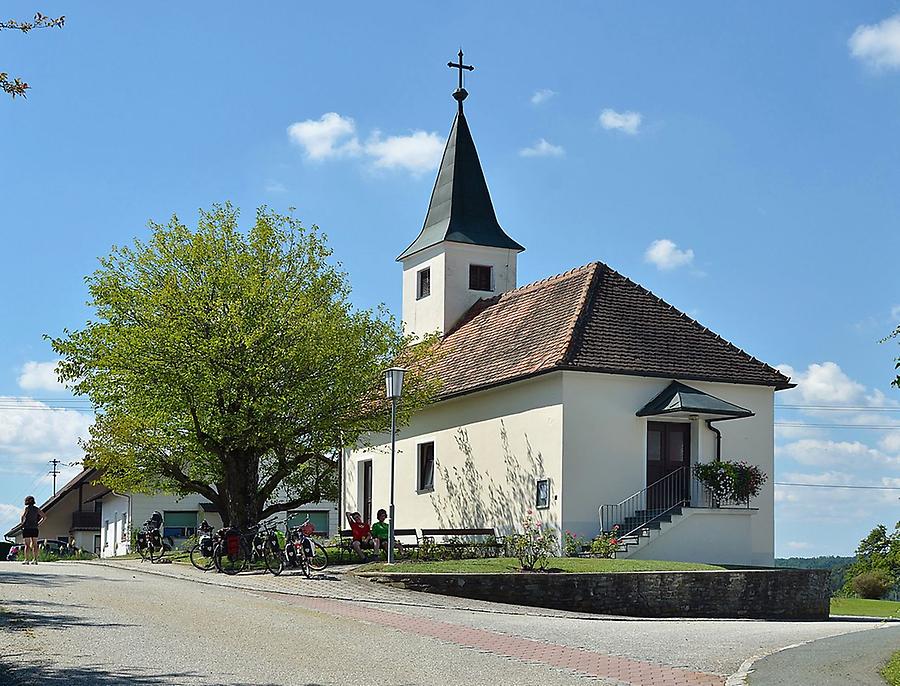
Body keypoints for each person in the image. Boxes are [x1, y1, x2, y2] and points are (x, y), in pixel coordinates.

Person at [20, 496, 46, 565]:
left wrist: (22, 524)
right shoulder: (37, 509)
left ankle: (26, 560)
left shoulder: (27, 508)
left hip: (27, 528)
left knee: (27, 545)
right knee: (35, 544)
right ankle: (35, 560)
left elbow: (23, 517)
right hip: (34, 528)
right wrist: (38, 524)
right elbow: (44, 517)